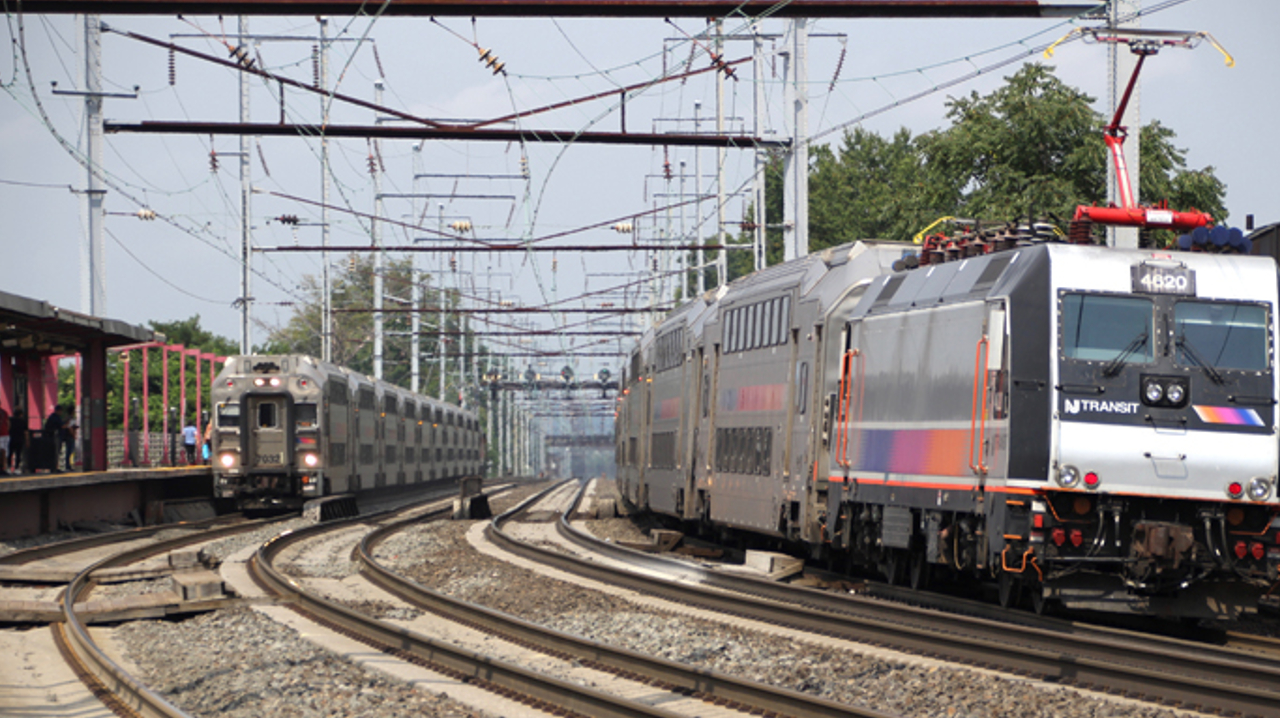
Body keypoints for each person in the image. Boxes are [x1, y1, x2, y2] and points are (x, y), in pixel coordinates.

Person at [44, 405, 65, 473]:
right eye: (61, 411)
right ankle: (54, 468)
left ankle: (53, 467)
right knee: (56, 452)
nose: (61, 412)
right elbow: (62, 426)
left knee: (53, 453)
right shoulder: (56, 418)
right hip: (56, 437)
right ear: (58, 411)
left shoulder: (51, 417)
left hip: (50, 437)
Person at [9, 409, 26, 474]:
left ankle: (8, 467)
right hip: (20, 439)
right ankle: (16, 468)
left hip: (11, 438)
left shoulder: (10, 420)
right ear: (21, 414)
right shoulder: (22, 421)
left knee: (10, 453)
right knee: (18, 454)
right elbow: (26, 432)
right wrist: (27, 441)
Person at [0, 407, 9, 477]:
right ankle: (3, 468)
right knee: (4, 451)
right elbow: (8, 423)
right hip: (4, 433)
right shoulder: (4, 412)